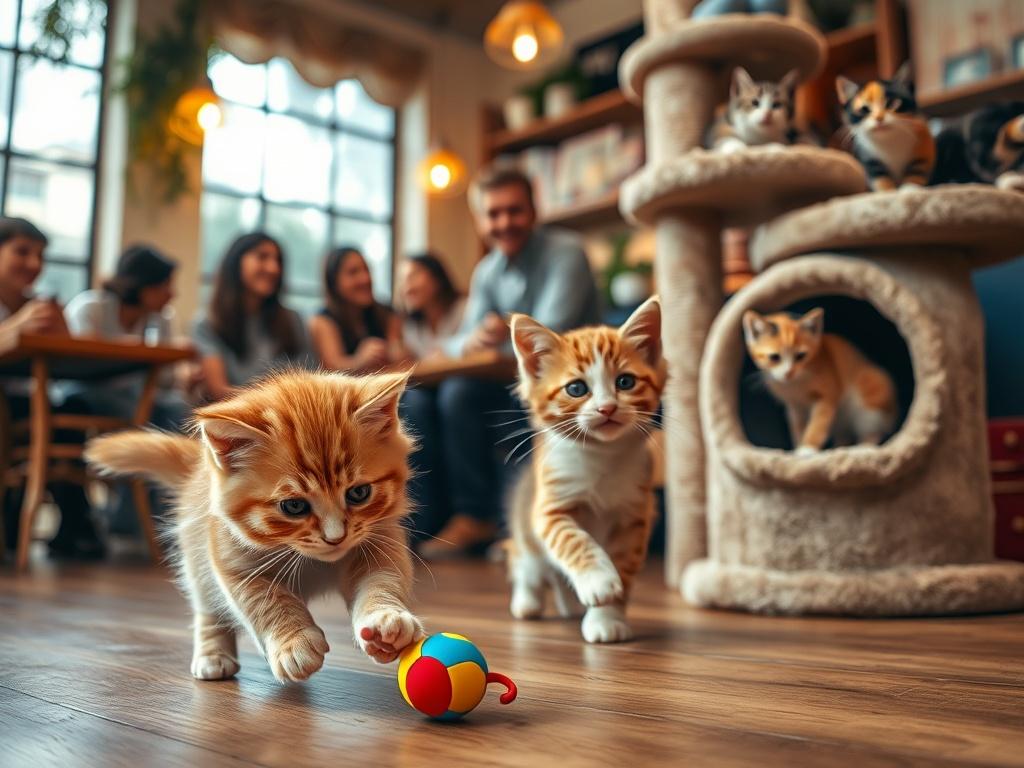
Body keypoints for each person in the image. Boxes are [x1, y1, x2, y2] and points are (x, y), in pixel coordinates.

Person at [413, 166, 601, 558]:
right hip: (515, 381)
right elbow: (460, 340)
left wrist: (494, 340)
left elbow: (553, 338)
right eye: (493, 214)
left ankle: (531, 526)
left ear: (534, 210)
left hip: (576, 387)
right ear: (481, 220)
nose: (504, 223)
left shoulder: (566, 252)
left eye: (513, 211)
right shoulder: (487, 271)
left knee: (465, 395)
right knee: (454, 395)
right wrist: (478, 338)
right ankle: (475, 516)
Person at [64, 245, 191, 535]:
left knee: (180, 412)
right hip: (84, 394)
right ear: (142, 284)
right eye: (165, 285)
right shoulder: (91, 307)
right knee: (146, 414)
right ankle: (132, 517)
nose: (172, 294)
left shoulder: (161, 319)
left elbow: (167, 380)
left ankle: (158, 517)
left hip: (135, 398)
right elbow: (79, 365)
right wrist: (138, 352)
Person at [0, 216, 103, 559]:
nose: (34, 264)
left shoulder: (38, 306)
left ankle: (74, 523)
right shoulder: (24, 313)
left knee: (76, 407)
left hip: (30, 401)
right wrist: (15, 328)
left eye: (40, 256)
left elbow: (66, 368)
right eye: (22, 252)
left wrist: (64, 338)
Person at [193, 232, 313, 400]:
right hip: (235, 419)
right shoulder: (207, 324)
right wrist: (277, 401)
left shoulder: (293, 320)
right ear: (236, 263)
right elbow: (219, 391)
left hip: (291, 419)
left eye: (278, 260)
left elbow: (309, 382)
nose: (274, 268)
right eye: (262, 257)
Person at [309, 246, 407, 374]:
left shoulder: (387, 313)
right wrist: (359, 360)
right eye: (353, 272)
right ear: (334, 282)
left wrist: (397, 352)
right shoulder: (322, 320)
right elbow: (330, 369)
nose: (365, 279)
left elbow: (400, 357)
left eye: (367, 270)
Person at [399, 253, 465, 361]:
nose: (407, 288)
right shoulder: (412, 328)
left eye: (413, 276)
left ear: (437, 278)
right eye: (402, 280)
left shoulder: (465, 310)